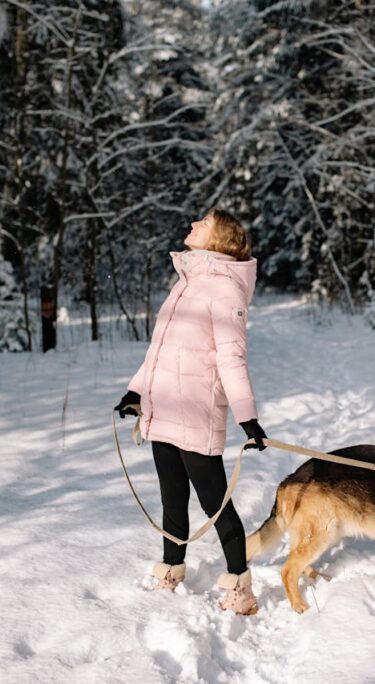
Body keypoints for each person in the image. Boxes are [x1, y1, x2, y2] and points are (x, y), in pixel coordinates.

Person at [114, 208, 267, 616]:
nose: (194, 224)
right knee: (171, 499)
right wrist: (137, 391)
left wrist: (246, 417)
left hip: (196, 412)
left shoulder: (225, 291)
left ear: (221, 240)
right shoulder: (185, 284)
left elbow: (232, 358)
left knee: (215, 502)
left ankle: (240, 585)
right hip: (162, 409)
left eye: (204, 222)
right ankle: (172, 568)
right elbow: (159, 351)